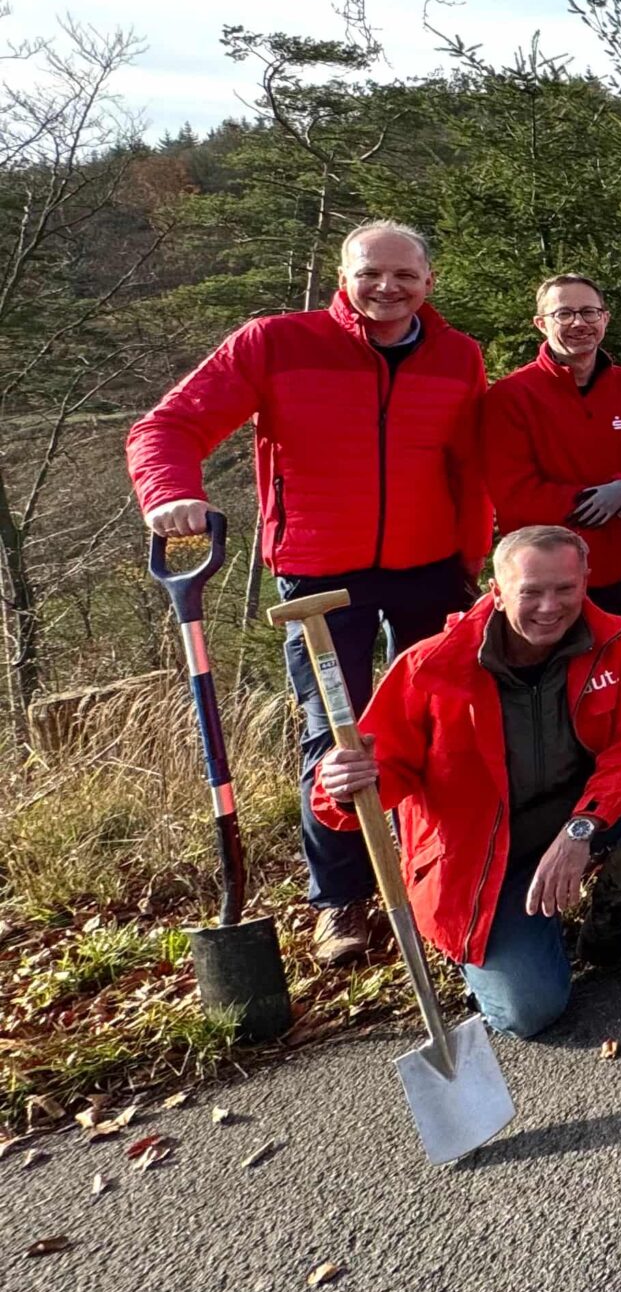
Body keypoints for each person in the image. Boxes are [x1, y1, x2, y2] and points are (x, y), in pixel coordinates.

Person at [125, 219, 489, 967]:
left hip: (430, 566)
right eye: (371, 273)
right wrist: (171, 494)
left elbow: (468, 463)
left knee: (443, 721)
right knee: (335, 733)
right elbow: (167, 426)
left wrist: (472, 560)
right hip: (321, 577)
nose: (387, 288)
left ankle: (438, 870)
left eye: (405, 275)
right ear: (343, 275)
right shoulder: (276, 342)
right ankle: (341, 899)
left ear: (430, 281)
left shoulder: (459, 356)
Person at [310, 524, 621, 1038]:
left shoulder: (617, 643)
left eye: (564, 589)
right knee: (529, 1012)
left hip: (574, 823)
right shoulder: (431, 667)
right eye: (530, 592)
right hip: (480, 865)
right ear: (495, 593)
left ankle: (608, 925)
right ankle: (498, 941)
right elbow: (375, 779)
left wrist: (582, 827)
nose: (549, 607)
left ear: (586, 581)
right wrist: (342, 783)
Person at [479, 274, 621, 627]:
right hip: (546, 578)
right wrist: (610, 501)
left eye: (589, 312)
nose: (578, 323)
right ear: (541, 324)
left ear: (605, 319)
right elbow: (515, 493)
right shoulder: (511, 397)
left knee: (614, 670)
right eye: (564, 314)